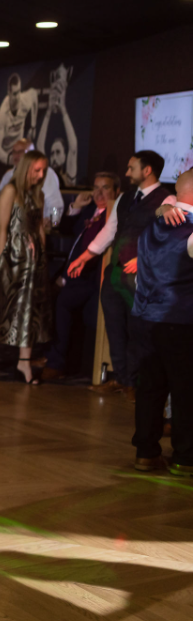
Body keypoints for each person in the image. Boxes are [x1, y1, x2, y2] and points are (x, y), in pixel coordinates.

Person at [66, 150, 175, 397]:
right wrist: (84, 257)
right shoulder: (125, 198)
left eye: (131, 168)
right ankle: (122, 378)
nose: (126, 173)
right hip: (116, 273)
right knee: (114, 327)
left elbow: (168, 237)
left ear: (147, 170)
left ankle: (137, 383)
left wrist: (144, 259)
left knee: (138, 330)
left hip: (142, 278)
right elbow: (109, 231)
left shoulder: (166, 199)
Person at [129, 169, 192, 475]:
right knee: (185, 390)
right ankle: (185, 457)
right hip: (179, 321)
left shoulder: (153, 224)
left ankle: (145, 453)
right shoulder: (191, 229)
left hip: (145, 318)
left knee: (150, 388)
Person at [0, 151, 52, 385]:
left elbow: (39, 228)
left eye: (43, 171)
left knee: (29, 308)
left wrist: (42, 254)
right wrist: (0, 260)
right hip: (11, 254)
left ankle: (24, 362)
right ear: (26, 168)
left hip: (31, 258)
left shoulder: (38, 194)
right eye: (36, 170)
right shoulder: (10, 191)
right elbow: (3, 227)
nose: (40, 175)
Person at [41, 173, 119, 380]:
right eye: (95, 187)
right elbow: (66, 229)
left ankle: (57, 362)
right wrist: (75, 206)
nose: (99, 193)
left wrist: (67, 278)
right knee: (42, 293)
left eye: (105, 188)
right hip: (71, 271)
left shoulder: (113, 215)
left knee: (64, 299)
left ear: (116, 191)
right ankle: (48, 354)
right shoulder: (90, 210)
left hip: (90, 276)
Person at [0, 138, 64, 220]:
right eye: (14, 152)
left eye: (20, 152)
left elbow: (55, 205)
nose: (16, 156)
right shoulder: (8, 175)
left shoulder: (46, 173)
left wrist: (53, 221)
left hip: (41, 222)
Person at [37, 74, 79, 187]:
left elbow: (73, 147)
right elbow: (40, 146)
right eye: (52, 153)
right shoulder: (48, 176)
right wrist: (48, 111)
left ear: (65, 156)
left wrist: (63, 109)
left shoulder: (69, 177)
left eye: (58, 152)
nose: (54, 157)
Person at [0, 73, 40, 171]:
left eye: (19, 92)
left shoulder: (24, 100)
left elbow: (34, 95)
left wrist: (33, 126)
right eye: (15, 94)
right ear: (9, 93)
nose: (18, 97)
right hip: (5, 157)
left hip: (19, 155)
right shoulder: (3, 113)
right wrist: (10, 160)